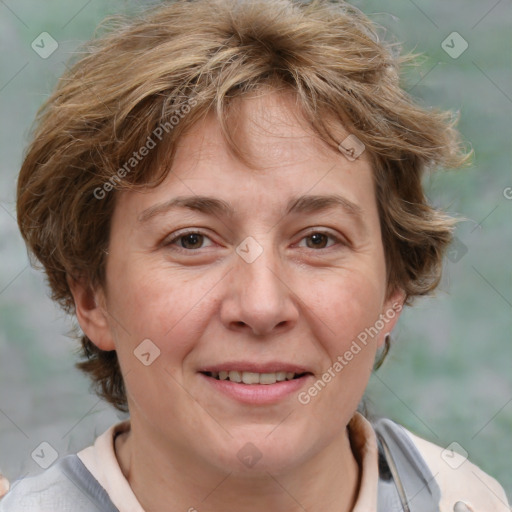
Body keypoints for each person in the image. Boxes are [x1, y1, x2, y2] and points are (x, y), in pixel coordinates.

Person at [1, 0, 509, 510]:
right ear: (91, 295)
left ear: (392, 292)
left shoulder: (473, 500)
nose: (262, 306)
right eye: (192, 240)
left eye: (317, 239)